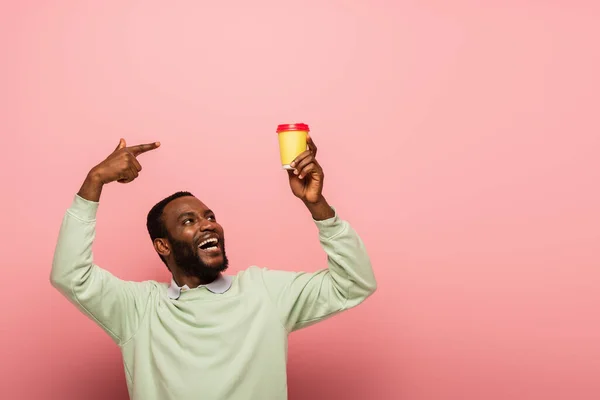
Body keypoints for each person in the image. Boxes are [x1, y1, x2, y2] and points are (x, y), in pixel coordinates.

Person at [51, 136, 377, 400]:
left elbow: (354, 283)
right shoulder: (137, 308)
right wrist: (94, 181)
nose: (209, 225)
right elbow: (70, 274)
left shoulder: (264, 291)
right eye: (189, 221)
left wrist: (316, 204)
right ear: (163, 245)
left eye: (210, 216)